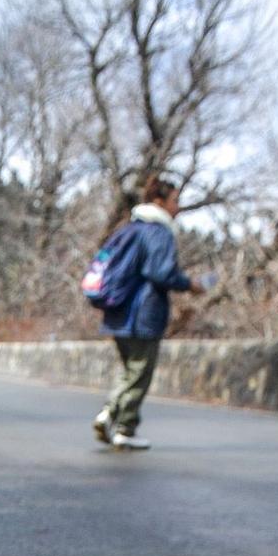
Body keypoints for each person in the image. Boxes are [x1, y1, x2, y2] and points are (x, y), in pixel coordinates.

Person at [93, 176, 199, 452]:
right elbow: (159, 272)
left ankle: (109, 415)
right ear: (159, 201)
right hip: (143, 313)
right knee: (140, 371)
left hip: (117, 310)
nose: (178, 207)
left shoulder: (128, 229)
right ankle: (124, 427)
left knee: (130, 370)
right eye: (175, 201)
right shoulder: (159, 231)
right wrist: (190, 284)